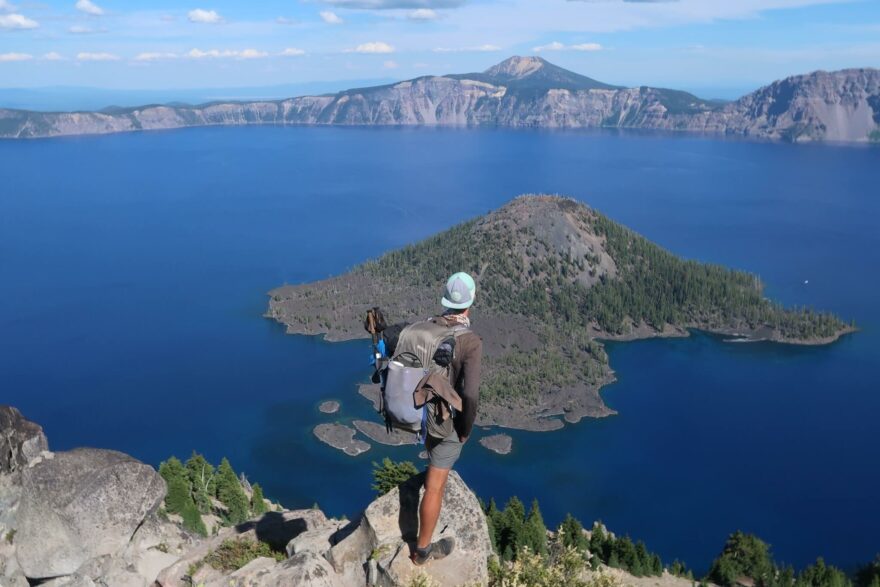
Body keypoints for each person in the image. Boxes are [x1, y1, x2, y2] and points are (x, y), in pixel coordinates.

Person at [410, 271, 483, 566]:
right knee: (435, 486)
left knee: (432, 476)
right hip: (443, 420)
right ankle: (422, 552)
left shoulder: (426, 327)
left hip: (417, 410)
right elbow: (471, 395)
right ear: (470, 303)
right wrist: (464, 431)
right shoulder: (471, 341)